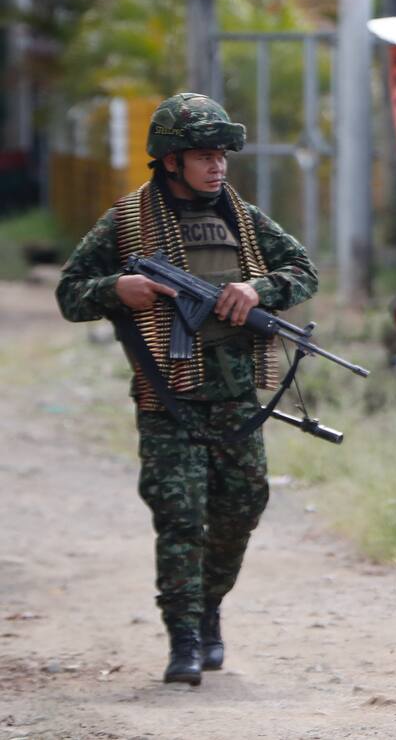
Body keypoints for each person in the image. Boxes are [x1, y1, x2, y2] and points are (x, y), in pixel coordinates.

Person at [56, 92, 318, 685]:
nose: (217, 165)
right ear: (171, 160)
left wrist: (258, 289)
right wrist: (116, 290)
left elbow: (302, 270)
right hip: (168, 397)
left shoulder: (243, 219)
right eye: (203, 155)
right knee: (179, 517)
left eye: (222, 154)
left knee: (243, 507)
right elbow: (71, 291)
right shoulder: (128, 220)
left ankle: (208, 608)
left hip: (235, 397)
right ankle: (184, 640)